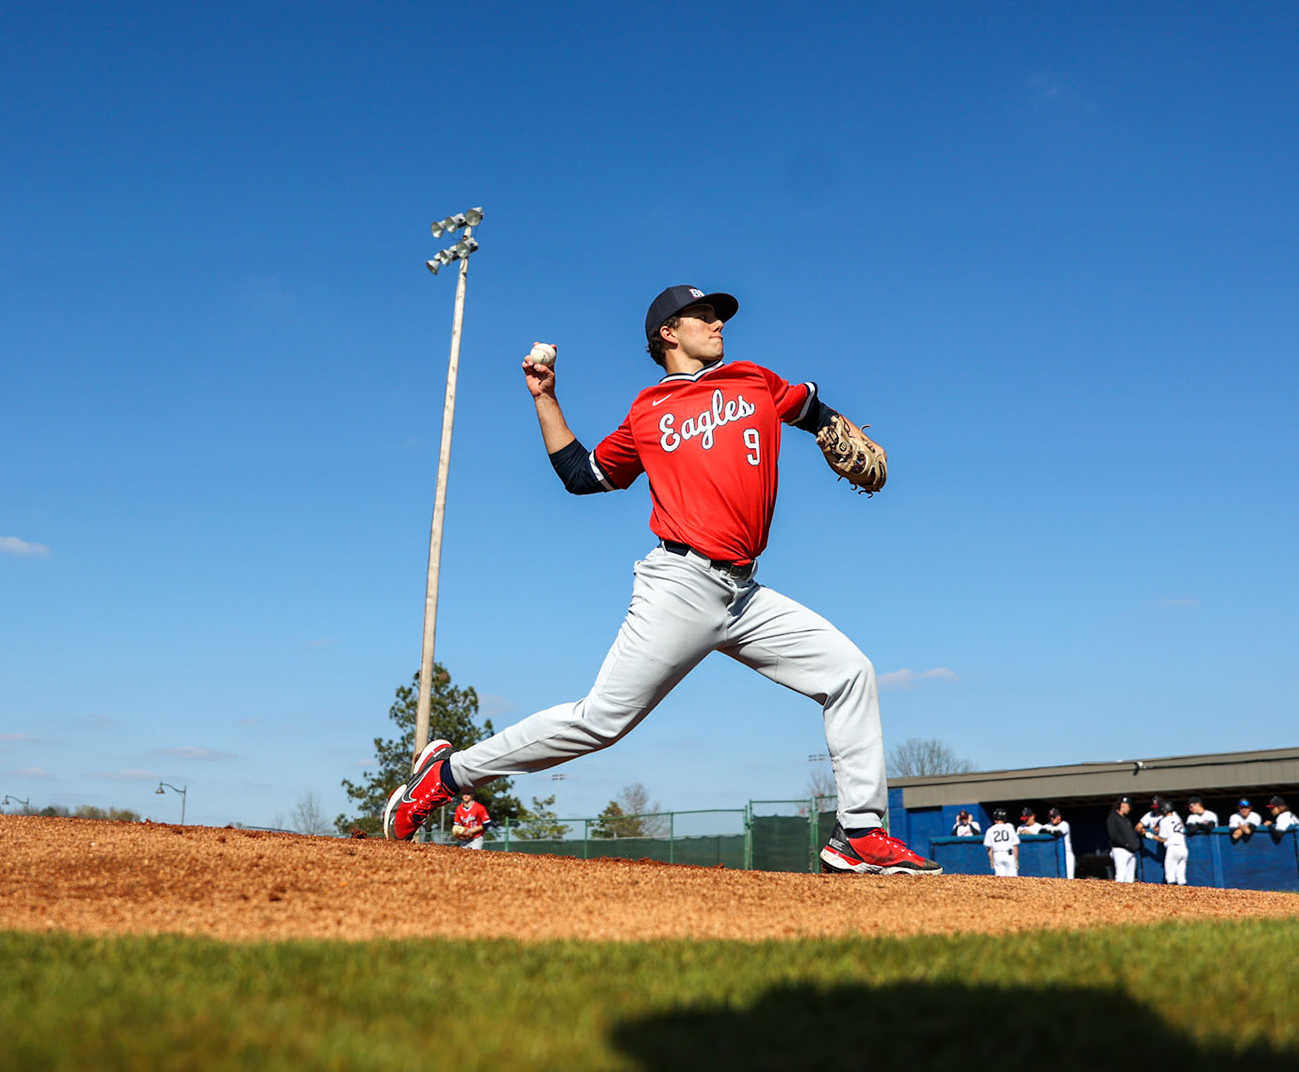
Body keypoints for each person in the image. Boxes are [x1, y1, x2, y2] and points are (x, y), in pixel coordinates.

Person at [382, 285, 942, 876]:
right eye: (703, 315)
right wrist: (545, 398)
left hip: (745, 594)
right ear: (668, 334)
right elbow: (582, 475)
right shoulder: (648, 410)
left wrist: (835, 427)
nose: (717, 323)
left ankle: (859, 833)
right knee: (600, 721)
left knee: (850, 672)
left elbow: (812, 409)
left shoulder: (754, 380)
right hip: (680, 584)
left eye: (718, 315)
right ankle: (447, 776)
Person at [1152, 798, 1189, 886]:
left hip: (1173, 848)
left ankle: (1173, 894)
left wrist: (1150, 836)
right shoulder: (1177, 819)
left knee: (1170, 877)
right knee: (1181, 878)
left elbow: (1163, 839)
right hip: (1183, 849)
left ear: (1164, 810)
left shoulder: (1164, 820)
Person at [1107, 797, 1142, 883]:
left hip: (1131, 851)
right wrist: (1126, 844)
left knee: (1130, 878)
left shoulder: (1126, 819)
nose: (1129, 809)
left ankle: (1128, 892)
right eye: (1128, 806)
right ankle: (1118, 892)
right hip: (1120, 849)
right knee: (1121, 875)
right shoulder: (1113, 817)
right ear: (1122, 805)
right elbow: (1113, 835)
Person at [984, 808, 1020, 877]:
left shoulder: (990, 830)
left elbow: (989, 848)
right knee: (1013, 879)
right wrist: (1016, 860)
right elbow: (1015, 846)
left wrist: (991, 861)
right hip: (1009, 854)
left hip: (997, 855)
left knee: (1000, 880)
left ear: (995, 819)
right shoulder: (1010, 828)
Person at [1042, 805, 1074, 878]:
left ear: (1059, 817)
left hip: (1066, 855)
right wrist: (1051, 831)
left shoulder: (1064, 824)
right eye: (1050, 817)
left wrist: (1048, 831)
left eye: (1053, 816)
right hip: (1054, 855)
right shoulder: (1048, 825)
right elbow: (1041, 831)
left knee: (1069, 878)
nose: (1051, 818)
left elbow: (1059, 833)